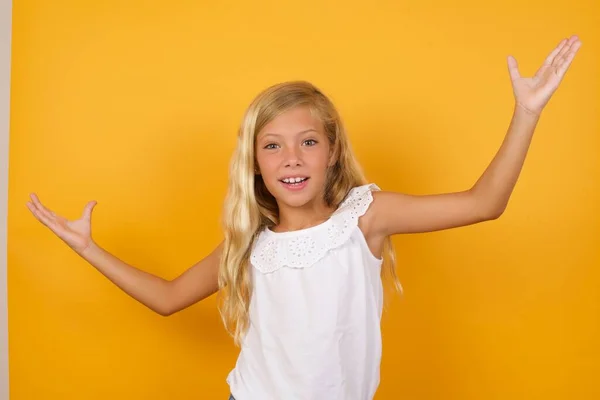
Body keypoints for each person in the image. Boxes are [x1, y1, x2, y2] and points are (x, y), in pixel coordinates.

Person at [27, 35, 582, 400]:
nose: (291, 158)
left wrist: (526, 114)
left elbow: (485, 203)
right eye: (272, 146)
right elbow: (169, 298)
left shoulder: (364, 217)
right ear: (255, 164)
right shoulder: (251, 244)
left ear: (332, 151)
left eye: (307, 141)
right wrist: (87, 248)